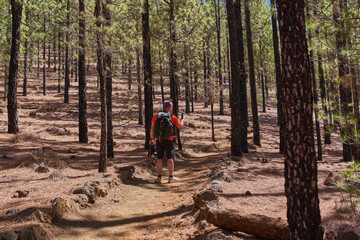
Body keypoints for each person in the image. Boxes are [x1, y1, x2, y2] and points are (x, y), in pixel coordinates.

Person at [149, 100, 184, 183]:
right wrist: (182, 120)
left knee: (159, 158)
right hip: (170, 140)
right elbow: (180, 127)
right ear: (168, 107)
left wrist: (151, 139)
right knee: (170, 158)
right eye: (171, 107)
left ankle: (159, 177)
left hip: (159, 140)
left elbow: (152, 128)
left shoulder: (156, 115)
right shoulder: (172, 117)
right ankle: (170, 177)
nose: (171, 108)